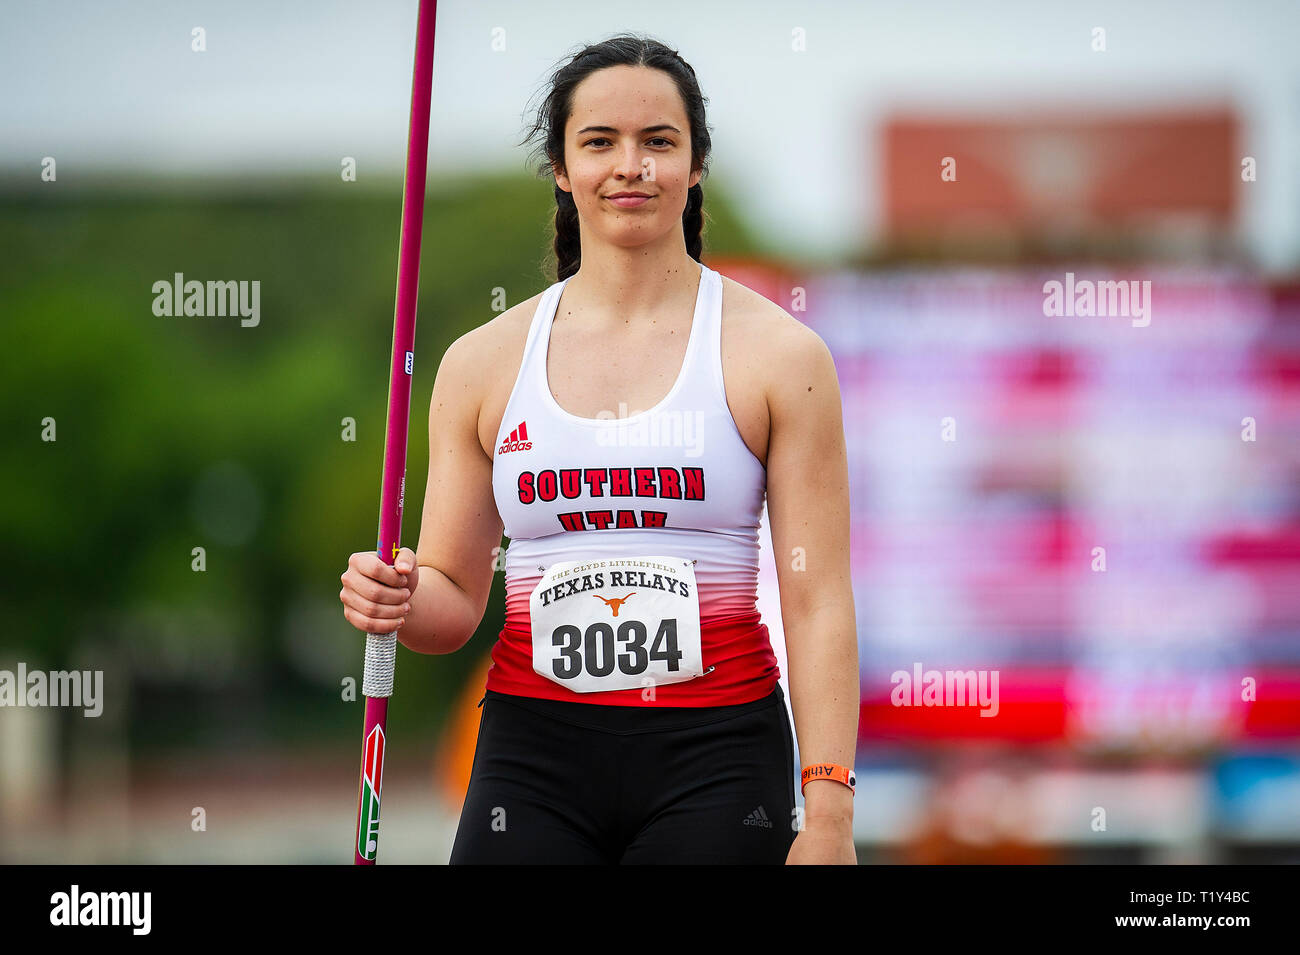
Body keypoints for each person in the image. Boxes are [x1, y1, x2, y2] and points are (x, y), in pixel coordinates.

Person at [340, 33, 858, 865]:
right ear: (560, 166)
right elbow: (453, 602)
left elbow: (818, 597)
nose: (631, 166)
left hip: (718, 755)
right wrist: (395, 599)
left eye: (659, 142)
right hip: (533, 758)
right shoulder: (482, 362)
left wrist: (828, 813)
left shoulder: (781, 358)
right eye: (599, 142)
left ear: (695, 166)